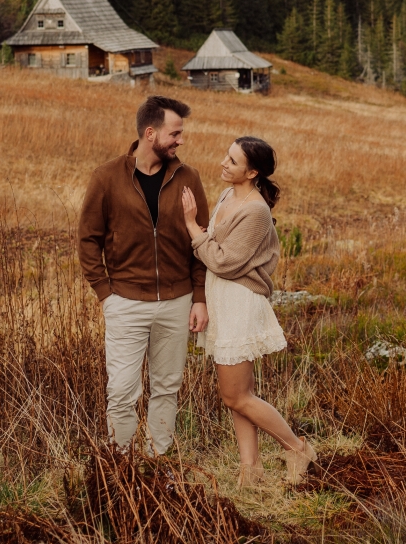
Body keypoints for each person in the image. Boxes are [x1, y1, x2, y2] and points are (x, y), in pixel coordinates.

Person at [180, 136, 317, 487]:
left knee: (236, 395)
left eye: (233, 160)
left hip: (239, 300)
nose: (224, 163)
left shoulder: (255, 210)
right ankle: (250, 470)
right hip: (222, 300)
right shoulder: (228, 195)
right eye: (226, 155)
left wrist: (193, 227)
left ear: (252, 172)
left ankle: (297, 447)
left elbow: (225, 262)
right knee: (239, 396)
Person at [78, 96, 210, 455]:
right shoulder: (106, 178)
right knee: (121, 390)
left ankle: (157, 461)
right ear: (150, 133)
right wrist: (106, 294)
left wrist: (199, 297)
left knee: (167, 387)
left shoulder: (188, 178)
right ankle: (119, 466)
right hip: (125, 302)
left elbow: (202, 241)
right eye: (175, 133)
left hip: (177, 302)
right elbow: (87, 239)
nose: (181, 140)